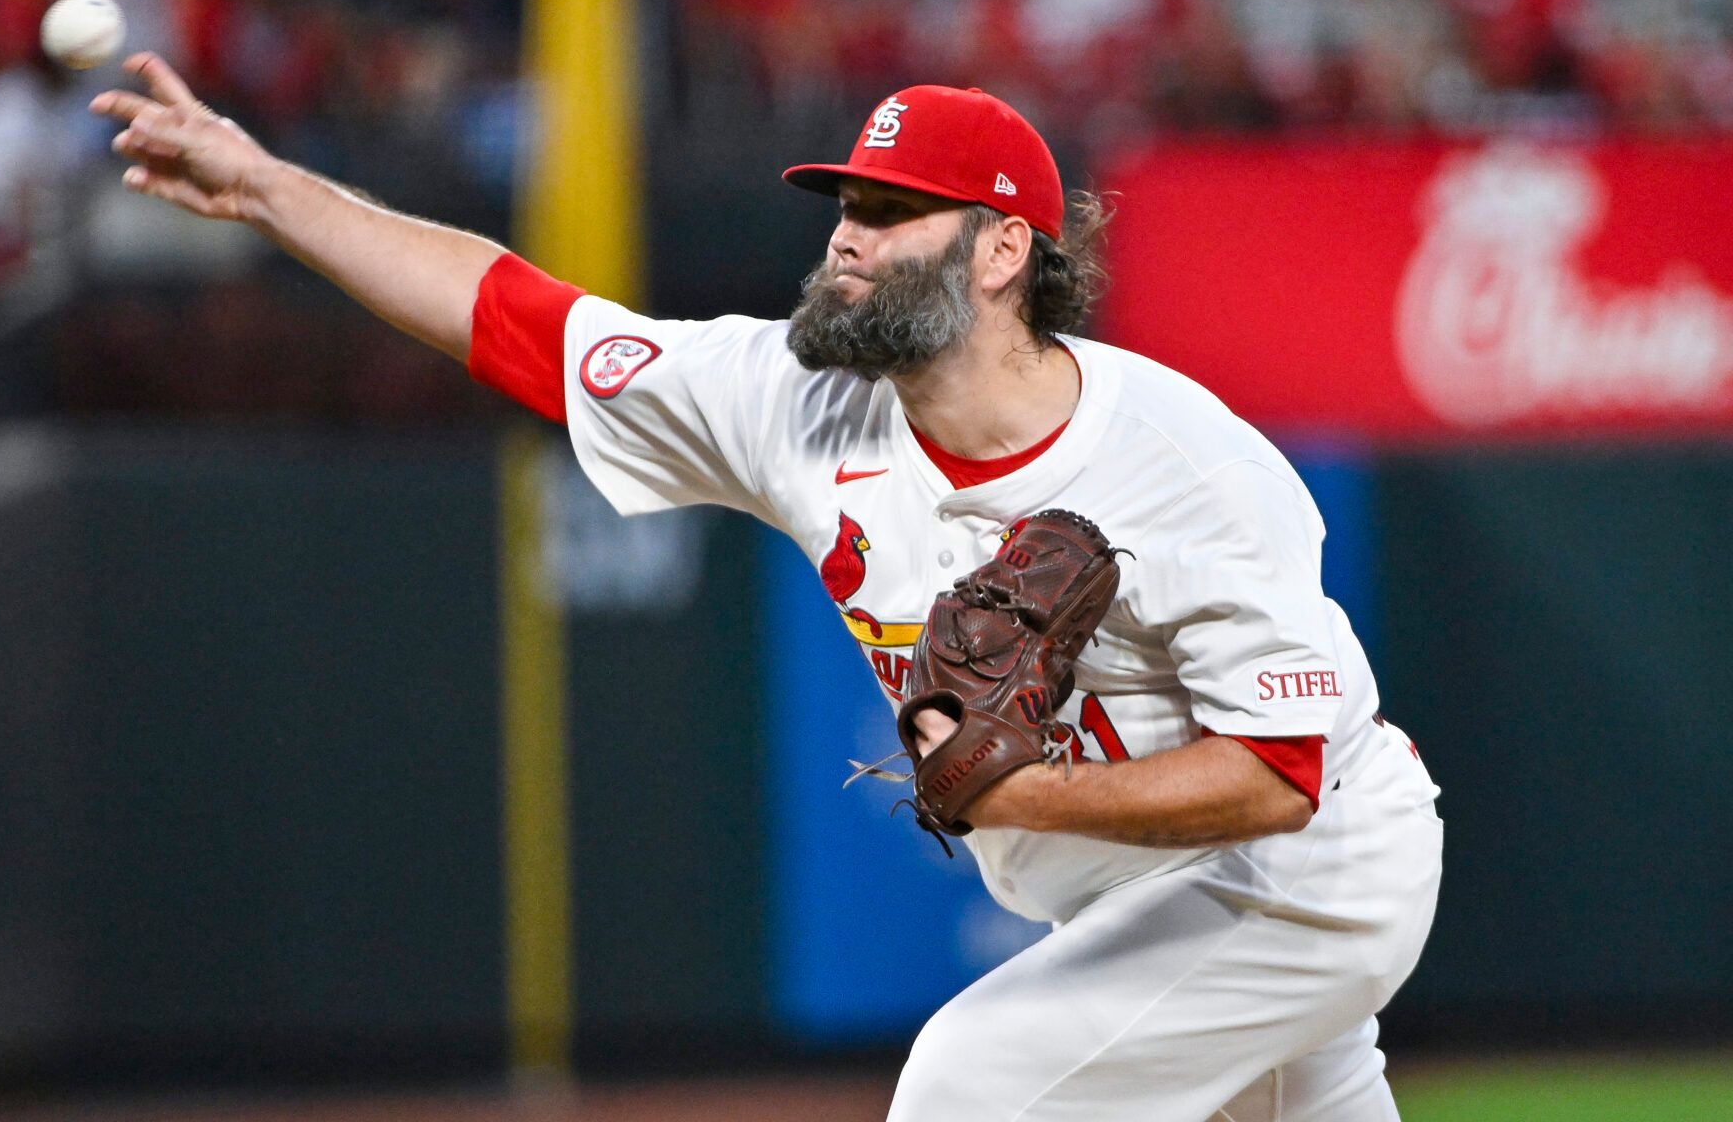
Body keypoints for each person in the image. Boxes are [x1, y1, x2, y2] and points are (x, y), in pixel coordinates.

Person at [92, 57, 1443, 1122]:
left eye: (891, 212)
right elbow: (509, 313)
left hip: (1300, 872)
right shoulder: (797, 405)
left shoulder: (1181, 464)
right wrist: (269, 187)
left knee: (972, 1089)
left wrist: (1028, 793)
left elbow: (1280, 772)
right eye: (846, 207)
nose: (847, 239)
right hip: (1140, 899)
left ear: (1000, 252)